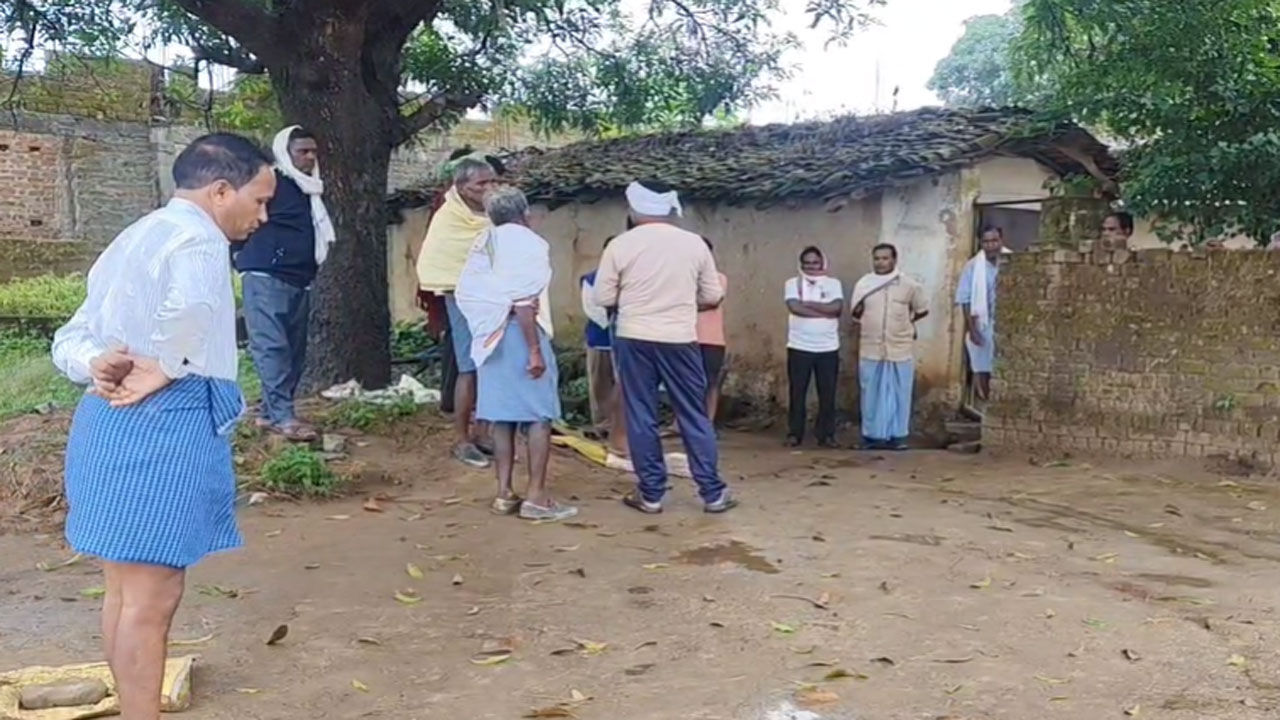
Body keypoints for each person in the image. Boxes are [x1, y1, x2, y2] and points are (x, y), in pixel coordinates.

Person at [51, 133, 275, 720]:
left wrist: (95, 364)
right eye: (259, 200)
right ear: (221, 190)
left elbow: (71, 336)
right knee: (152, 600)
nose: (262, 216)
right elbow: (194, 310)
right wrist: (167, 366)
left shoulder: (134, 236)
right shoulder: (199, 240)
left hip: (105, 420)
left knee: (126, 594)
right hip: (161, 426)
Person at [595, 180, 735, 514]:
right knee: (693, 413)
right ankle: (712, 492)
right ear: (669, 208)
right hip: (680, 338)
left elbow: (603, 297)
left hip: (634, 336)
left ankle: (651, 494)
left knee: (641, 414)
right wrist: (681, 302)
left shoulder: (620, 245)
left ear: (633, 209)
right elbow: (712, 295)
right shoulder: (694, 244)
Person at [455, 187, 577, 521]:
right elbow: (524, 302)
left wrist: (491, 319)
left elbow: (466, 294)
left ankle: (504, 493)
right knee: (538, 416)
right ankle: (536, 497)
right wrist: (534, 351)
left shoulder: (483, 243)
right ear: (525, 214)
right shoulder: (529, 243)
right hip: (522, 335)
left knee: (502, 418)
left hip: (489, 339)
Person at [232, 126, 333, 441]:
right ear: (284, 153)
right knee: (272, 347)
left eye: (313, 152)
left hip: (299, 278)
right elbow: (239, 215)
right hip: (266, 275)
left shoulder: (308, 188)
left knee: (293, 351)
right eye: (302, 151)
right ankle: (282, 416)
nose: (310, 157)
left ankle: (269, 412)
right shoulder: (271, 182)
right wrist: (240, 254)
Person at [416, 157, 498, 468]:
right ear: (462, 187)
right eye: (481, 184)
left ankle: (483, 432)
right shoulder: (448, 218)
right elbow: (441, 261)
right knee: (469, 367)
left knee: (491, 366)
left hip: (494, 299)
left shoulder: (494, 214)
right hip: (461, 297)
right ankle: (462, 439)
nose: (489, 188)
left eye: (492, 182)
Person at [851, 243, 927, 450]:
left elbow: (921, 309)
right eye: (877, 258)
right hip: (871, 347)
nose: (880, 262)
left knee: (899, 392)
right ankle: (872, 437)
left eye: (885, 258)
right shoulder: (864, 284)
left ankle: (898, 436)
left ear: (894, 260)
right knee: (871, 392)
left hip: (899, 347)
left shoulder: (908, 285)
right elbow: (855, 313)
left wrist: (904, 324)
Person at [784, 246, 844, 448]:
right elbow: (794, 307)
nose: (811, 267)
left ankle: (826, 435)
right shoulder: (792, 283)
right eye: (807, 263)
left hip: (828, 347)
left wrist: (808, 304)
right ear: (801, 265)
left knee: (827, 394)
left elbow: (837, 308)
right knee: (797, 392)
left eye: (815, 263)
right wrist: (825, 311)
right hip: (799, 346)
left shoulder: (833, 283)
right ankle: (795, 433)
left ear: (822, 263)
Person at [957, 225, 1003, 401]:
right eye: (986, 241)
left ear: (1001, 241)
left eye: (994, 240)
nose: (991, 245)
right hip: (982, 325)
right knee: (981, 368)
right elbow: (965, 299)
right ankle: (984, 405)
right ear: (981, 243)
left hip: (1005, 325)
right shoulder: (972, 266)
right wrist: (972, 330)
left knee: (1002, 368)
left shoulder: (1012, 261)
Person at [581, 236, 617, 440]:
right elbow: (592, 309)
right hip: (600, 340)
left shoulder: (630, 278)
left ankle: (621, 426)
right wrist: (613, 324)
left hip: (626, 341)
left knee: (623, 385)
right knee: (600, 384)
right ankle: (603, 424)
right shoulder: (590, 279)